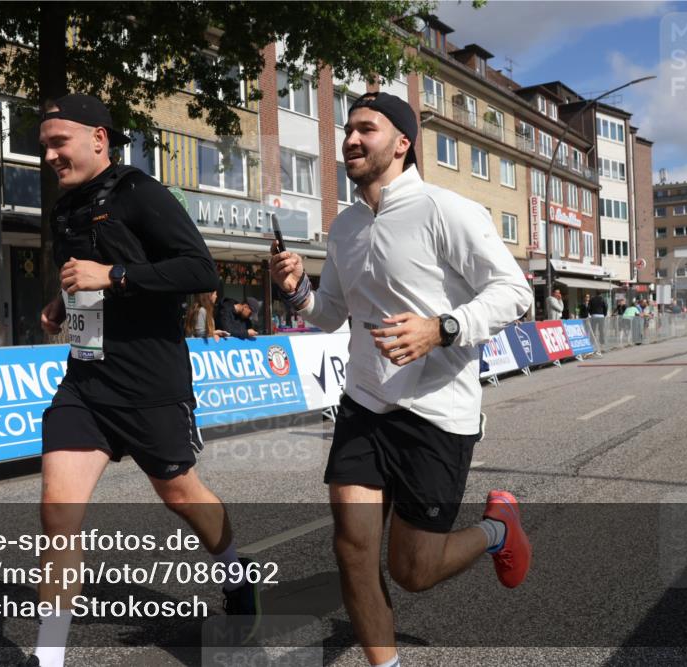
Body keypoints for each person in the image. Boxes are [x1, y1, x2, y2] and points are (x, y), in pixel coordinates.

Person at [270, 92, 533, 667]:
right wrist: (297, 290)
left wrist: (441, 328)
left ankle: (497, 529)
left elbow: (516, 293)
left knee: (413, 571)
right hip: (365, 404)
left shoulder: (448, 210)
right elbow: (331, 313)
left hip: (437, 412)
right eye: (348, 130)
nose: (351, 140)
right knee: (353, 552)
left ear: (403, 143)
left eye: (367, 128)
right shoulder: (343, 227)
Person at [30, 94, 257, 667]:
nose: (51, 155)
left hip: (151, 381)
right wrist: (63, 304)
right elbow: (81, 278)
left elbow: (199, 270)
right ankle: (48, 656)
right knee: (58, 509)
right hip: (85, 383)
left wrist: (114, 276)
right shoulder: (64, 209)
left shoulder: (139, 192)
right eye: (45, 146)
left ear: (99, 138)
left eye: (60, 143)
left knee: (180, 495)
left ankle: (235, 571)